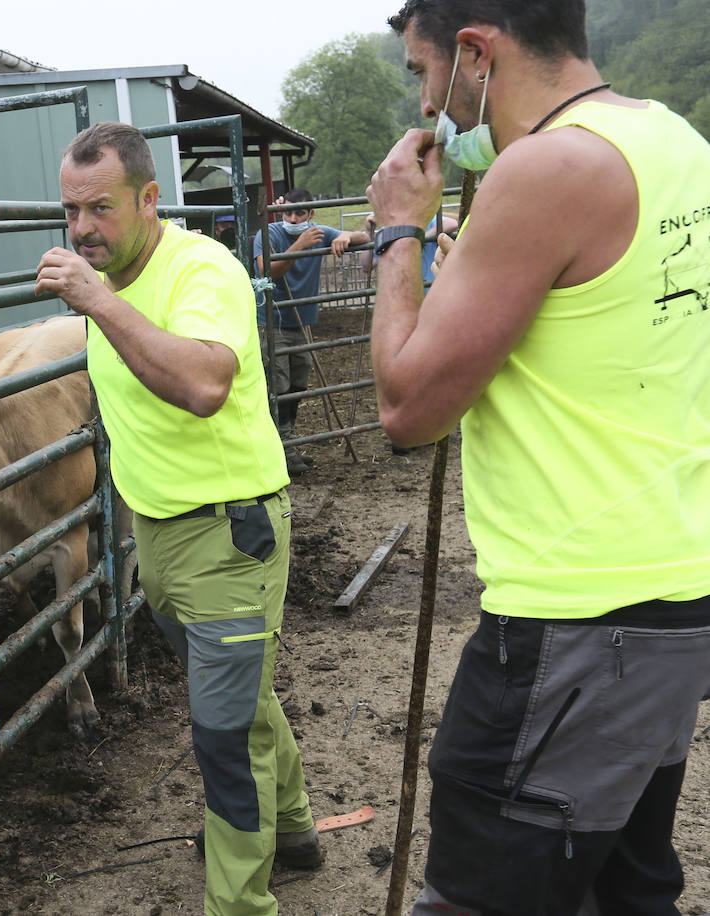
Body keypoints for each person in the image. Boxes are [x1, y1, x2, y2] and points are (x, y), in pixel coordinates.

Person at [367, 2, 710, 913]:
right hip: (670, 597)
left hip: (577, 621)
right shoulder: (675, 143)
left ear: (476, 53)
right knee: (622, 891)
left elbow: (406, 408)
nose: (428, 101)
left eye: (421, 71)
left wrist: (398, 231)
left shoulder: (545, 168)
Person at [35, 122, 322, 916]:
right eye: (71, 211)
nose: (83, 229)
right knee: (238, 700)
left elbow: (202, 386)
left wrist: (96, 301)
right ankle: (294, 830)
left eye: (101, 209)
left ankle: (239, 904)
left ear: (150, 199)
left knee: (222, 736)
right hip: (157, 535)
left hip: (231, 533)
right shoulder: (107, 280)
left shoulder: (203, 269)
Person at [253, 188, 370, 474]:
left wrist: (346, 236)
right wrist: (300, 245)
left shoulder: (318, 231)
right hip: (274, 320)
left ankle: (289, 439)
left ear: (310, 214)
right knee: (278, 385)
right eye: (289, 212)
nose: (293, 218)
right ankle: (282, 448)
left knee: (298, 382)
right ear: (282, 212)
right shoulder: (269, 234)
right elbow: (267, 270)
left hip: (302, 320)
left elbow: (365, 238)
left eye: (300, 213)